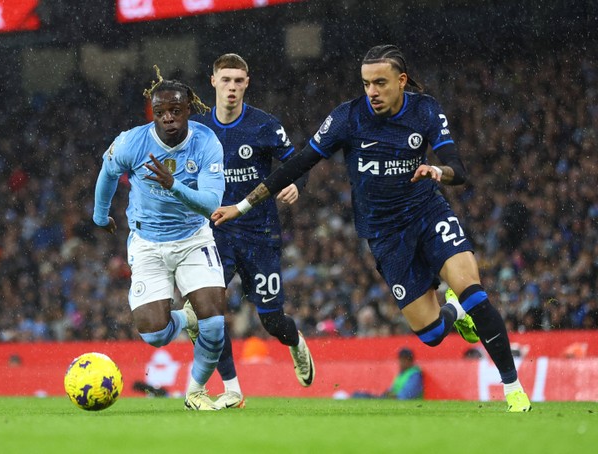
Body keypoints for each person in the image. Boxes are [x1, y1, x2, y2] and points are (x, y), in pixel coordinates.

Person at [212, 44, 532, 412]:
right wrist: (241, 205)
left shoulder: (424, 110)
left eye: (380, 83)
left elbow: (457, 168)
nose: (372, 92)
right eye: (366, 84)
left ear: (401, 80)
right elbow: (298, 163)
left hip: (428, 214)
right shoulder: (348, 118)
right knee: (429, 334)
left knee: (474, 291)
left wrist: (438, 171)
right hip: (384, 235)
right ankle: (453, 313)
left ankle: (513, 389)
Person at [93, 66, 227, 411]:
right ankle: (186, 319)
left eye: (175, 111)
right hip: (148, 243)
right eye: (161, 112)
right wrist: (99, 214)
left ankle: (195, 392)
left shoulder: (205, 142)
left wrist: (174, 186)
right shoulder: (131, 142)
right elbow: (108, 173)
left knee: (214, 324)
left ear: (188, 110)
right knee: (155, 334)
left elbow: (211, 204)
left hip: (192, 238)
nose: (168, 118)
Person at [191, 53, 314, 409]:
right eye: (225, 80)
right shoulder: (197, 129)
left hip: (260, 234)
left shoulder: (264, 125)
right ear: (212, 81)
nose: (232, 87)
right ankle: (232, 387)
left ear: (247, 83)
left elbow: (299, 163)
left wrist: (297, 184)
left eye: (238, 81)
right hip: (214, 236)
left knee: (272, 319)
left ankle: (295, 343)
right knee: (209, 313)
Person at [352, 348, 423, 399]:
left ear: (409, 360)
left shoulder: (415, 375)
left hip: (397, 401)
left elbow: (406, 395)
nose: (400, 362)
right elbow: (392, 389)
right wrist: (388, 393)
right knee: (358, 394)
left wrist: (391, 395)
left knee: (361, 397)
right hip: (392, 399)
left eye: (402, 360)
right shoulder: (402, 373)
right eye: (400, 359)